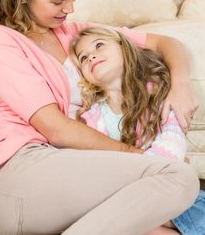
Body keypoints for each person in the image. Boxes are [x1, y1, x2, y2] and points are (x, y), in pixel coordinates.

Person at [0, 0, 199, 235]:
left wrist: (180, 85)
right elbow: (55, 127)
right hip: (18, 173)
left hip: (68, 177)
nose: (69, 9)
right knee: (180, 179)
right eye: (58, 1)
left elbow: (168, 44)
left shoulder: (77, 35)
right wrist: (135, 158)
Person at [70, 26, 205, 235]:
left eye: (99, 45)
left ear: (125, 48)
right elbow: (97, 164)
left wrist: (144, 172)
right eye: (83, 57)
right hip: (128, 199)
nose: (91, 56)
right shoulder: (92, 117)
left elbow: (173, 140)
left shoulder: (157, 92)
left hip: (169, 190)